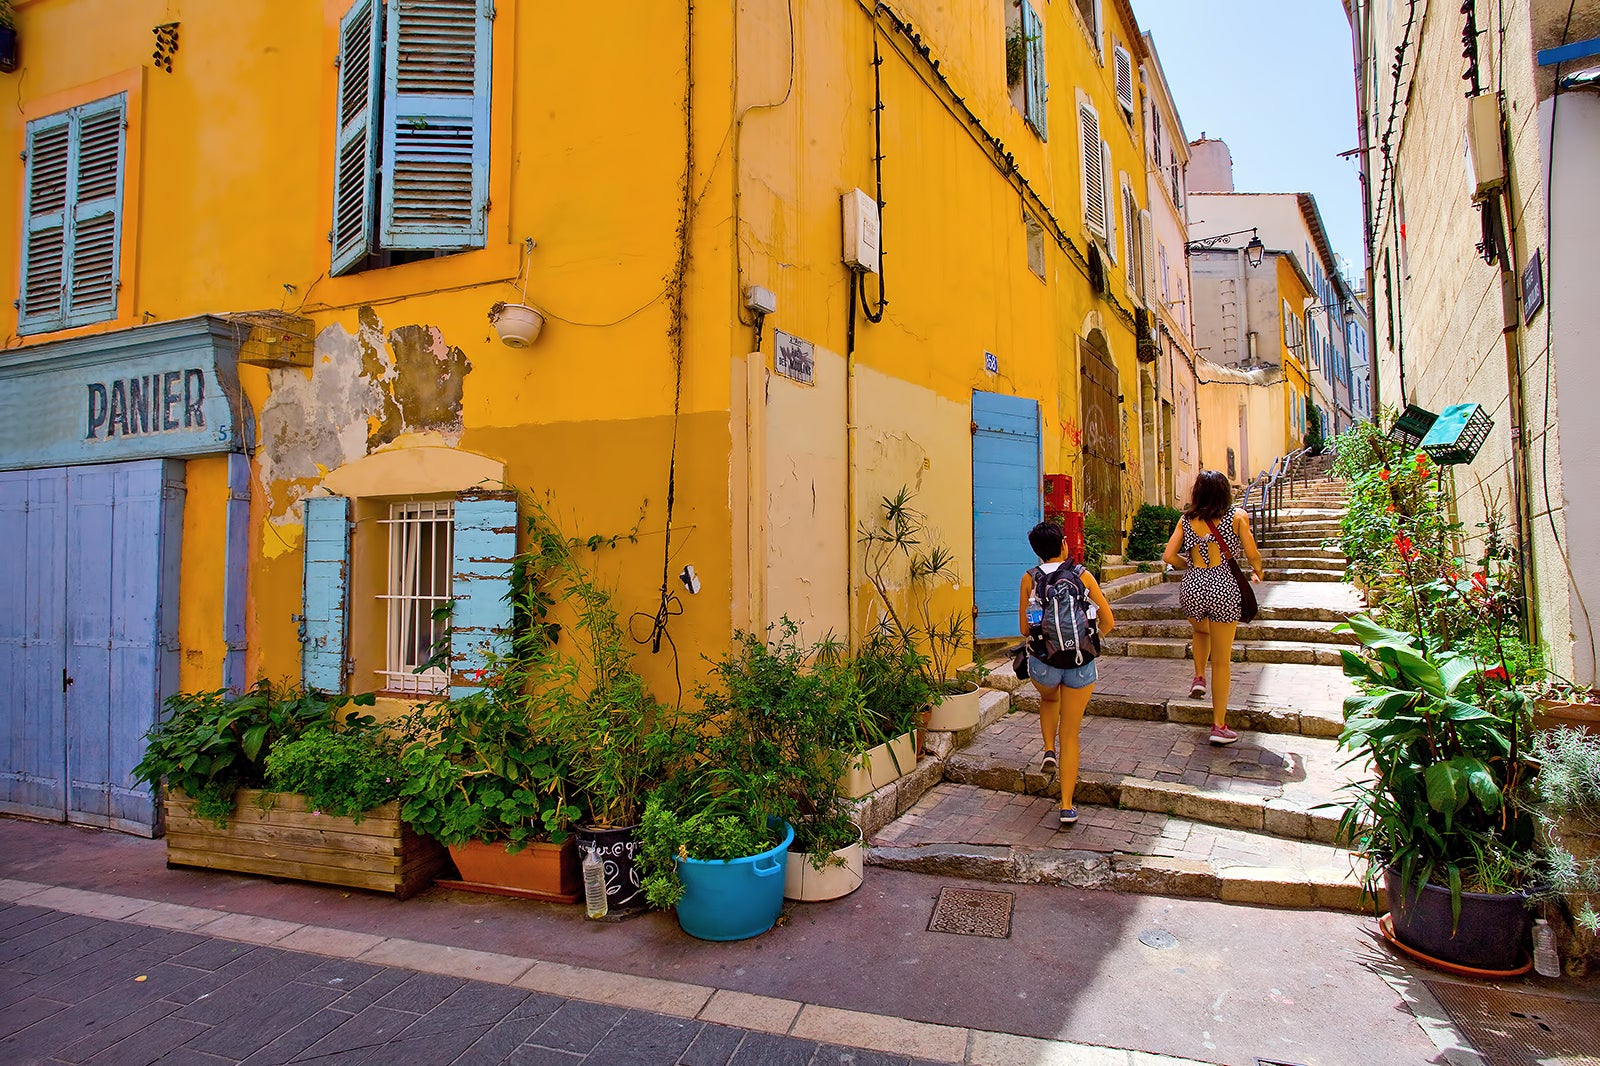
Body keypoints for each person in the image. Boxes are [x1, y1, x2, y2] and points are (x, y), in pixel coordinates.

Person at [1019, 520, 1115, 828]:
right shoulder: (1082, 574)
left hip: (1043, 666)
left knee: (1049, 700)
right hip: (1079, 663)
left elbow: (1024, 629)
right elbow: (1109, 621)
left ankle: (1048, 749)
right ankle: (1067, 805)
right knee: (1071, 734)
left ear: (1036, 551)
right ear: (1064, 544)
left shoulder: (1029, 578)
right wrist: (1086, 638)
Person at [1161, 470, 1265, 745]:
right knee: (1221, 659)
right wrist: (1258, 570)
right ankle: (1218, 725)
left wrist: (1191, 566)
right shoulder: (1238, 516)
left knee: (1201, 630)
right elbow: (1252, 553)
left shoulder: (1186, 519)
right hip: (1225, 587)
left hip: (1193, 587)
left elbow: (1169, 556)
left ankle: (1198, 676)